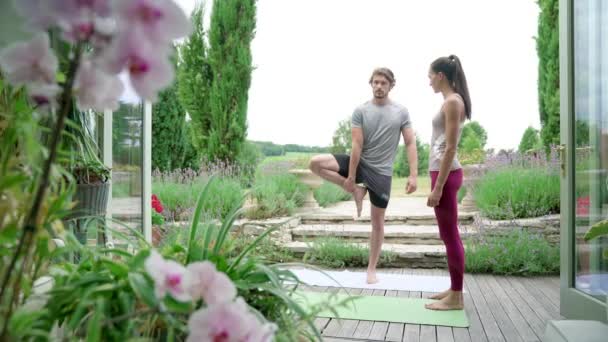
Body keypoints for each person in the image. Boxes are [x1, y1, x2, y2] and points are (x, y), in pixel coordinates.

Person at [309, 67, 418, 284]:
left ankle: (371, 269)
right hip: (359, 163)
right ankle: (356, 190)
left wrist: (413, 174)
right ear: (371, 84)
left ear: (391, 85)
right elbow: (357, 143)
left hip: (382, 173)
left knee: (377, 223)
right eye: (375, 82)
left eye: (383, 83)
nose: (379, 86)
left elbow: (410, 142)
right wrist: (349, 178)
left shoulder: (401, 112)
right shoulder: (361, 110)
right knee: (315, 163)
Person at [424, 55, 472, 310]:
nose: (429, 81)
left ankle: (456, 297)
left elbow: (450, 148)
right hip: (442, 172)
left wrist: (438, 187)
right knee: (447, 234)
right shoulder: (451, 101)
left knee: (450, 235)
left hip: (447, 174)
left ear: (441, 75)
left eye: (430, 75)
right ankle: (454, 289)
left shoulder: (453, 102)